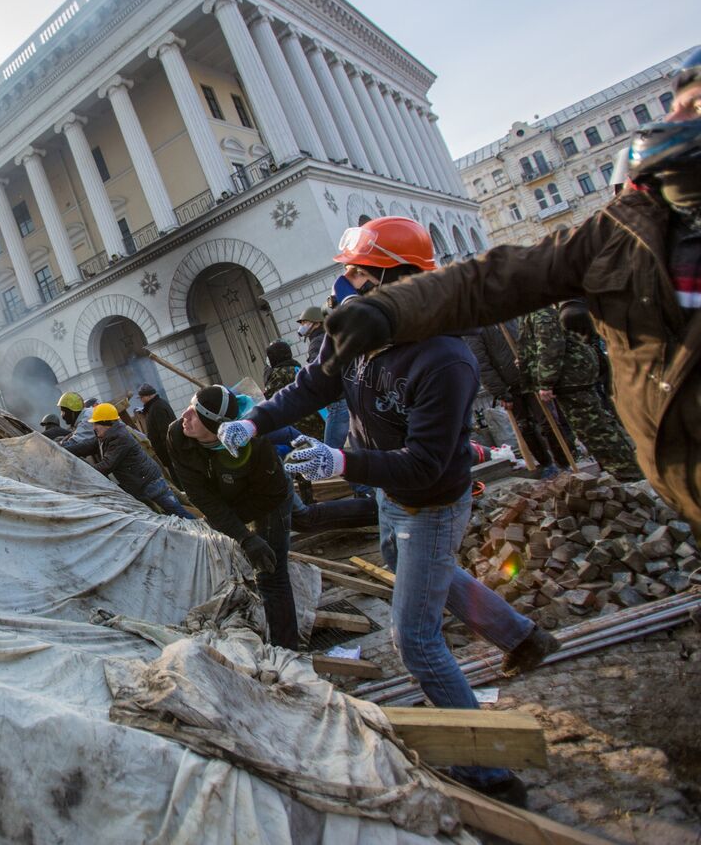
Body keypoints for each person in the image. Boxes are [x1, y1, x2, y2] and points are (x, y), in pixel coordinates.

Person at [217, 215, 557, 805]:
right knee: (426, 576)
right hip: (386, 493)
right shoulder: (355, 331)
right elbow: (312, 387)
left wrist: (342, 465)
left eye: (356, 272)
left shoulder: (444, 358)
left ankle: (489, 771)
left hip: (430, 501)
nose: (343, 284)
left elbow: (426, 464)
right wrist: (255, 418)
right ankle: (522, 638)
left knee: (415, 638)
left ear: (395, 278)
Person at [320, 47, 701, 534]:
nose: (671, 121)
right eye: (675, 105)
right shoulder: (628, 227)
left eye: (691, 108)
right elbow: (503, 275)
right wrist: (389, 312)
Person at [167, 385, 298, 650]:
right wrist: (242, 535)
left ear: (215, 426)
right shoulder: (178, 436)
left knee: (271, 572)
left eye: (196, 413)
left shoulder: (255, 444)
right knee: (299, 522)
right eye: (190, 406)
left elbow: (271, 496)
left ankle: (286, 650)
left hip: (270, 496)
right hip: (230, 497)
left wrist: (247, 535)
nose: (185, 415)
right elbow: (201, 496)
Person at [518, 304, 641, 481]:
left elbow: (551, 345)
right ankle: (624, 469)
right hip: (569, 376)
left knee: (594, 428)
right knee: (594, 425)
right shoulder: (531, 311)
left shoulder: (541, 311)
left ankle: (628, 473)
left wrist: (546, 381)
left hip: (571, 376)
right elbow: (537, 345)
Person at [463, 320, 568, 474]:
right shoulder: (475, 330)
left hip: (531, 379)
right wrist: (501, 392)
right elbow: (482, 364)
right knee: (525, 427)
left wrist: (534, 366)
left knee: (549, 422)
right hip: (509, 387)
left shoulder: (511, 317)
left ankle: (564, 462)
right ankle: (546, 464)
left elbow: (531, 341)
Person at [67, 402, 194, 518]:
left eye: (96, 423)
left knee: (177, 511)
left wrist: (80, 470)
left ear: (106, 423)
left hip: (150, 483)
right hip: (141, 483)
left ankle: (204, 531)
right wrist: (63, 449)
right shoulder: (107, 435)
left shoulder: (119, 438)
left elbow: (106, 465)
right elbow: (86, 446)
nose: (93, 427)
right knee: (165, 513)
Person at [298, 304, 348, 449]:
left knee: (329, 451)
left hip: (337, 402)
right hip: (344, 397)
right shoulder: (327, 338)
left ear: (316, 322)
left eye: (305, 322)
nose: (303, 326)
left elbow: (319, 373)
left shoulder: (317, 342)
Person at [261, 340, 325, 440]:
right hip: (315, 417)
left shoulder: (278, 373)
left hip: (299, 422)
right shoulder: (297, 367)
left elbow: (272, 398)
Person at [136, 383, 178, 486]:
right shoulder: (155, 406)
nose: (141, 400)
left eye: (142, 397)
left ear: (150, 395)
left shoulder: (157, 408)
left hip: (171, 453)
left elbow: (165, 432)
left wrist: (169, 453)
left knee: (178, 479)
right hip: (169, 453)